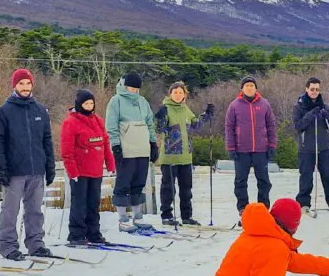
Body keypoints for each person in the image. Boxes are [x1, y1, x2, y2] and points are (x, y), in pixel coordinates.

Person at [0, 69, 55, 260]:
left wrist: (49, 165)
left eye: (28, 84)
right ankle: (8, 246)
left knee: (35, 210)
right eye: (21, 84)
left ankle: (36, 244)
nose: (25, 87)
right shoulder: (4, 111)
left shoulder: (40, 110)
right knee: (10, 211)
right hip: (14, 171)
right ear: (15, 86)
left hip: (36, 169)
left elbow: (47, 140)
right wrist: (1, 167)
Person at [154, 81, 215, 226]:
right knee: (168, 188)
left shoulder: (185, 109)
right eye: (175, 92)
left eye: (180, 92)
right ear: (170, 94)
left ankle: (187, 216)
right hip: (170, 156)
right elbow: (158, 129)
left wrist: (206, 115)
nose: (178, 94)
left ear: (184, 95)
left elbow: (195, 124)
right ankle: (167, 215)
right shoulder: (165, 108)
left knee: (186, 189)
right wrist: (159, 118)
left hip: (186, 156)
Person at [60, 89, 115, 245]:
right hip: (80, 171)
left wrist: (110, 163)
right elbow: (66, 150)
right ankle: (76, 234)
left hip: (96, 170)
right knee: (80, 204)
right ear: (79, 104)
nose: (89, 106)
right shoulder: (70, 122)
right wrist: (72, 171)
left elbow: (105, 143)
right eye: (86, 103)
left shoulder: (98, 121)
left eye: (92, 103)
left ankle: (93, 233)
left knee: (93, 203)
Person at [105, 72, 158, 232]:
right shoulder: (116, 101)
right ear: (125, 86)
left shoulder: (143, 102)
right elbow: (111, 125)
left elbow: (149, 123)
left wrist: (153, 143)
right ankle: (122, 218)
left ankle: (138, 216)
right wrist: (115, 146)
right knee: (123, 183)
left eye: (136, 88)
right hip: (126, 149)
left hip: (142, 148)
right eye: (131, 87)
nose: (134, 91)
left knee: (139, 182)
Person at [224, 76, 277, 226]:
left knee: (264, 181)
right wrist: (231, 147)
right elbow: (229, 127)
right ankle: (244, 210)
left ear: (256, 88)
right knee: (241, 181)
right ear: (242, 88)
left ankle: (263, 210)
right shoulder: (234, 106)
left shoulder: (264, 104)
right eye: (246, 85)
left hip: (261, 149)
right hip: (241, 150)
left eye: (252, 85)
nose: (249, 87)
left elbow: (271, 125)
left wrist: (272, 145)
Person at [293, 77, 329, 212]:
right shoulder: (299, 106)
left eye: (317, 89)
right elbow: (298, 126)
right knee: (306, 177)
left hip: (323, 147)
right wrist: (309, 115)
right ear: (307, 89)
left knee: (328, 176)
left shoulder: (324, 106)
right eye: (312, 89)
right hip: (306, 148)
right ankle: (303, 203)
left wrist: (327, 116)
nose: (315, 92)